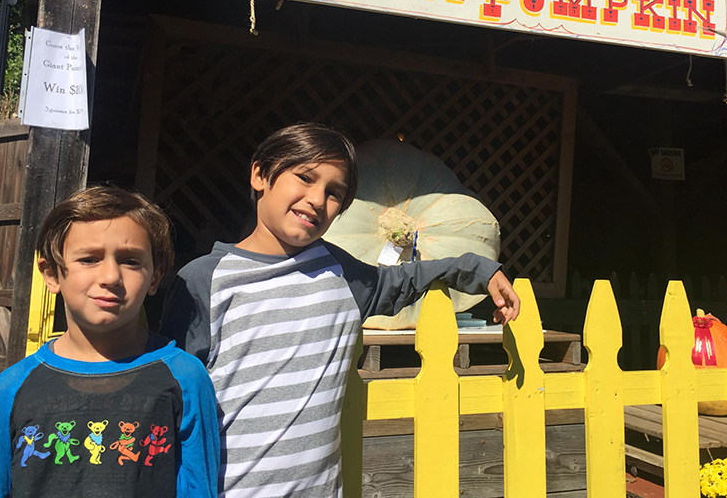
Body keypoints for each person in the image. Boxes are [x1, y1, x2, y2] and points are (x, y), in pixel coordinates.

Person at [160, 123, 520, 498]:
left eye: (334, 193)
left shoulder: (341, 275)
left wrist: (478, 269)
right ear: (260, 175)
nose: (317, 199)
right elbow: (171, 400)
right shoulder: (204, 280)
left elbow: (406, 278)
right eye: (304, 178)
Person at [0, 186, 220, 498]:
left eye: (131, 261)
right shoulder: (12, 388)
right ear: (52, 273)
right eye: (89, 259)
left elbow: (199, 487)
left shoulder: (186, 377)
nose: (110, 276)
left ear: (155, 276)